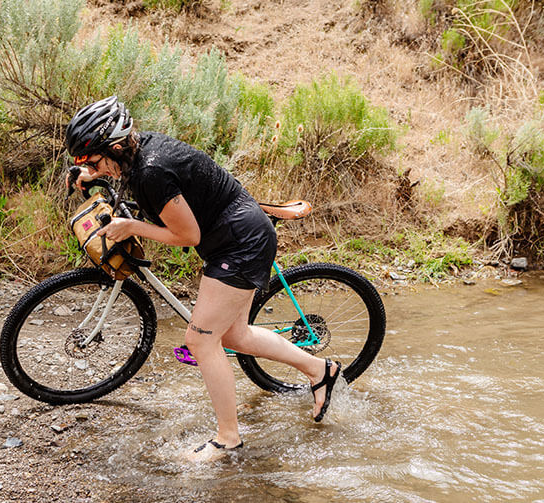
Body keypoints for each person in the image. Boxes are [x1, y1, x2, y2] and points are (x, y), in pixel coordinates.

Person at [65, 96, 341, 461]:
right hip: (232, 236)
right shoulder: (136, 154)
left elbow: (187, 236)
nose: (94, 168)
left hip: (240, 244)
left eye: (96, 161)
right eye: (86, 163)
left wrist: (132, 226)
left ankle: (228, 438)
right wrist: (92, 173)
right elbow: (129, 177)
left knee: (200, 341)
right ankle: (321, 370)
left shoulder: (152, 172)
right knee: (235, 336)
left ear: (116, 147)